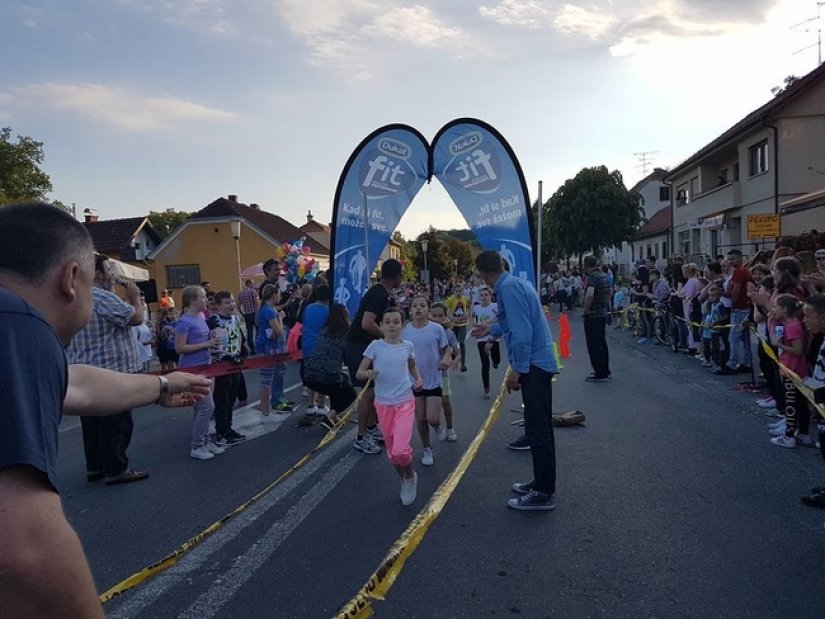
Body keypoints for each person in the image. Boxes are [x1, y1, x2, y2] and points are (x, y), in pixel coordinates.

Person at [0, 203, 209, 618]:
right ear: (71, 279)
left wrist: (161, 385)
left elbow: (74, 383)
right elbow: (24, 546)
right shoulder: (17, 322)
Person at [472, 250, 559, 511]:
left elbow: (522, 334)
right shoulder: (516, 283)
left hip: (534, 364)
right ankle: (541, 483)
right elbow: (515, 323)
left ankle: (544, 492)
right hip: (539, 362)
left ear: (484, 274)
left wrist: (517, 370)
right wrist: (491, 329)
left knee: (538, 429)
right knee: (539, 426)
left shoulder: (508, 289)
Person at [66, 252, 150, 485]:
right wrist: (134, 297)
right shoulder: (102, 297)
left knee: (91, 423)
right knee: (116, 422)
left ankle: (95, 467)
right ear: (99, 274)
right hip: (109, 371)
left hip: (83, 370)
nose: (114, 275)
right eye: (111, 270)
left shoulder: (75, 296)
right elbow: (136, 319)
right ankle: (116, 468)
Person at [356, 306, 423, 505]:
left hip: (404, 402)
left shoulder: (408, 345)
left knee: (401, 450)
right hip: (383, 404)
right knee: (393, 453)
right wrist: (368, 374)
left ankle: (410, 476)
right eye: (388, 322)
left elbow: (411, 365)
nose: (392, 325)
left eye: (396, 322)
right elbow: (359, 372)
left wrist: (417, 379)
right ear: (382, 325)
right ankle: (403, 479)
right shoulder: (375, 346)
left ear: (402, 325)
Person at [345, 259, 404, 455]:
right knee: (367, 393)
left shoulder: (380, 292)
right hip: (358, 346)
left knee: (372, 391)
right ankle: (361, 437)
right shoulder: (379, 294)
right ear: (396, 276)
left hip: (363, 345)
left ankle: (371, 429)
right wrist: (388, 337)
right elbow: (367, 323)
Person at [176, 286, 224, 460]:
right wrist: (207, 344)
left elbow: (204, 340)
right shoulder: (184, 321)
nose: (206, 300)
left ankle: (204, 441)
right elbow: (180, 348)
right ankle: (196, 446)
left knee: (200, 407)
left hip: (206, 365)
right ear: (193, 300)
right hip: (193, 370)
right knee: (207, 407)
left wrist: (213, 348)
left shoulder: (201, 317)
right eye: (203, 297)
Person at [402, 295, 451, 466]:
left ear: (428, 310)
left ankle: (437, 426)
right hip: (414, 381)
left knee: (431, 418)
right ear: (410, 310)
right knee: (420, 418)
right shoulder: (405, 331)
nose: (418, 308)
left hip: (433, 379)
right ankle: (427, 448)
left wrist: (446, 358)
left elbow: (447, 349)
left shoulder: (437, 329)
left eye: (422, 305)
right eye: (414, 305)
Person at [302, 303, 356, 430]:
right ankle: (330, 415)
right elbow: (348, 360)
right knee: (350, 393)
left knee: (341, 381)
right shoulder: (345, 334)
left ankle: (334, 416)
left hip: (309, 376)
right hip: (327, 378)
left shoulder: (324, 330)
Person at [767, 294, 811, 448]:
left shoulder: (792, 326)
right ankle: (802, 433)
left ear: (785, 309)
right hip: (790, 368)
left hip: (793, 370)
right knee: (798, 402)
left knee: (792, 401)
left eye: (775, 307)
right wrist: (771, 323)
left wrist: (778, 344)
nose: (773, 310)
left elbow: (798, 350)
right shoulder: (788, 324)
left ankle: (789, 435)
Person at [206, 291, 248, 446]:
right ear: (217, 306)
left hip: (236, 363)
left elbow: (240, 337)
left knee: (231, 398)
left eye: (232, 301)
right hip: (221, 365)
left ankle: (228, 428)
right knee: (221, 399)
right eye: (227, 303)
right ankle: (221, 432)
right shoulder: (212, 321)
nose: (231, 305)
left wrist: (243, 352)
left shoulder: (235, 319)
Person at [256, 284, 293, 420]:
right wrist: (281, 319)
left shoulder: (266, 308)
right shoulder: (269, 311)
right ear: (273, 295)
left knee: (268, 379)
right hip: (267, 348)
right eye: (278, 294)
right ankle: (265, 413)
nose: (280, 296)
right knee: (266, 380)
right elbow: (278, 331)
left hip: (268, 346)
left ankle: (266, 411)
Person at [713, 249, 752, 374]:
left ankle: (732, 364)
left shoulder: (739, 272)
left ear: (740, 258)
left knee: (733, 337)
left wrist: (734, 307)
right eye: (729, 259)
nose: (730, 262)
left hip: (740, 308)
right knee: (745, 338)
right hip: (745, 307)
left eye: (732, 259)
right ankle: (747, 362)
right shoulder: (743, 271)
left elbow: (736, 292)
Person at [429, 302, 460, 440]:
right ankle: (436, 425)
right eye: (434, 315)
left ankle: (450, 428)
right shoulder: (425, 331)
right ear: (429, 315)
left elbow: (458, 353)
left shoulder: (449, 333)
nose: (437, 318)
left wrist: (454, 360)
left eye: (441, 315)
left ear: (445, 317)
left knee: (445, 401)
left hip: (442, 373)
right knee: (426, 406)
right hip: (427, 374)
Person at [582, 255, 611, 382]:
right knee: (602, 343)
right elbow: (610, 292)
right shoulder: (603, 275)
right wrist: (604, 304)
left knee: (593, 345)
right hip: (602, 313)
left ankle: (599, 373)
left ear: (586, 265)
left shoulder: (592, 278)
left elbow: (589, 295)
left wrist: (587, 309)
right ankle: (606, 369)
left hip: (593, 314)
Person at [472, 286, 500, 398]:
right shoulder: (477, 308)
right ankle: (487, 388)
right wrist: (476, 324)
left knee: (496, 359)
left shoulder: (495, 306)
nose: (484, 297)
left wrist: (490, 322)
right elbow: (472, 319)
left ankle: (496, 361)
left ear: (490, 296)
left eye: (486, 295)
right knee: (485, 363)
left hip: (493, 335)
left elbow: (500, 318)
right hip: (481, 336)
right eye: (482, 295)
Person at [445, 283, 472, 372]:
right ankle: (454, 360)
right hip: (453, 325)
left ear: (463, 291)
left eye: (460, 291)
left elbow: (470, 307)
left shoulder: (466, 299)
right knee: (453, 344)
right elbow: (444, 309)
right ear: (453, 292)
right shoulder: (451, 300)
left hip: (462, 324)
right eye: (456, 291)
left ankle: (463, 364)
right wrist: (450, 317)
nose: (458, 293)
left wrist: (468, 314)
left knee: (461, 342)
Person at [237, 279, 259, 353]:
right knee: (258, 331)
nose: (253, 285)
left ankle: (252, 350)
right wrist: (257, 313)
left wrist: (243, 314)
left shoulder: (241, 293)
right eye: (252, 283)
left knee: (249, 332)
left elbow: (238, 306)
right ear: (249, 284)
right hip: (254, 313)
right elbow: (256, 304)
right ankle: (257, 347)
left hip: (247, 314)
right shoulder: (253, 291)